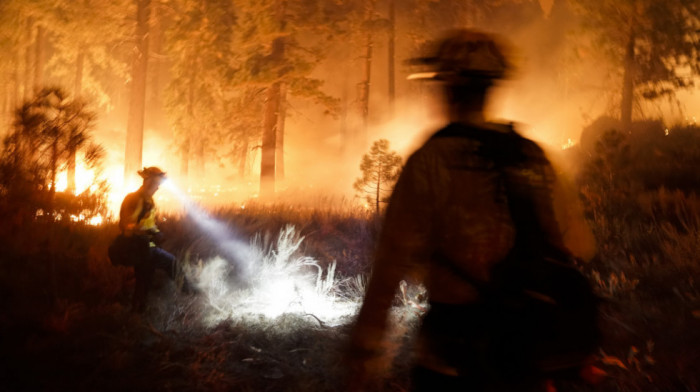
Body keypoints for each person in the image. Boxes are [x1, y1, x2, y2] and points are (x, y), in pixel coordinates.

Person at [346, 29, 596, 391]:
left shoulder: (431, 161)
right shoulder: (532, 157)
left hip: (452, 360)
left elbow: (390, 266)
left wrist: (364, 350)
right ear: (491, 88)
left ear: (445, 88)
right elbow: (578, 244)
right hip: (524, 357)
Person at [113, 166, 179, 312]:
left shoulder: (149, 200)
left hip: (147, 247)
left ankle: (137, 313)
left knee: (144, 281)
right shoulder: (134, 199)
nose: (158, 187)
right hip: (138, 247)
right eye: (157, 183)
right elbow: (126, 224)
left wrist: (157, 232)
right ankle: (193, 297)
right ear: (149, 182)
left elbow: (148, 223)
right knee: (172, 264)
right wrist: (149, 232)